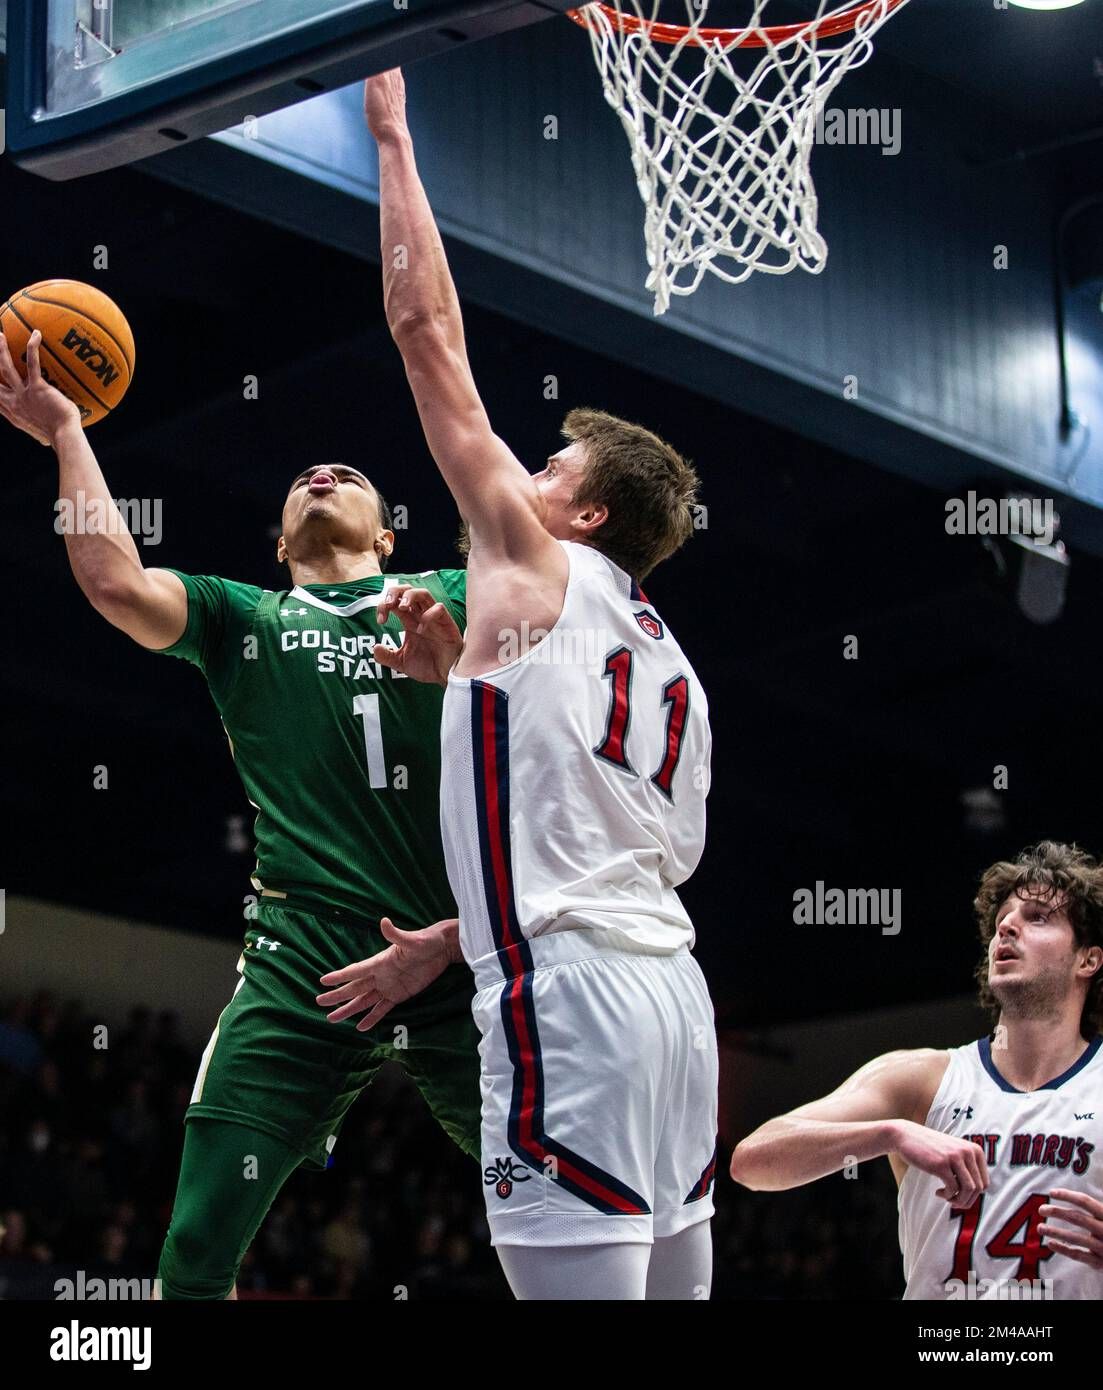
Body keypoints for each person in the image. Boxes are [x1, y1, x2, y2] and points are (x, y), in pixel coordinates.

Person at [315, 69, 718, 1301]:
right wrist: (465, 684)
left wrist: (389, 132)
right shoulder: (673, 667)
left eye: (548, 464)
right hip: (676, 1009)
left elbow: (425, 335)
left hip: (573, 1012)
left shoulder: (531, 554)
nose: (522, 472)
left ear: (584, 511)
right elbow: (621, 855)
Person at [0, 327, 481, 1300]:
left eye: (343, 473)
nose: (319, 472)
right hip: (303, 960)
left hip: (462, 951)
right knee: (195, 1246)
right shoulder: (245, 618)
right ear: (277, 545)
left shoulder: (452, 594)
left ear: (389, 536)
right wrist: (64, 431)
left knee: (566, 1193)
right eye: (303, 475)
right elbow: (115, 583)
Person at [730, 841, 1103, 1299]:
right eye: (1003, 918)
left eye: (1037, 917)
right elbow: (752, 1161)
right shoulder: (920, 1079)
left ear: (1088, 959)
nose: (1007, 926)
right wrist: (890, 1134)